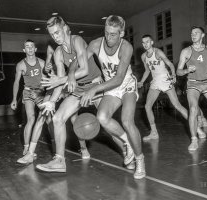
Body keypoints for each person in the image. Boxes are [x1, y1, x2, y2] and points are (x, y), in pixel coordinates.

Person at [36, 16, 134, 173]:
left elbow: (85, 69)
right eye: (52, 34)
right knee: (57, 118)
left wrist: (63, 79)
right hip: (79, 89)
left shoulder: (77, 40)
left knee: (105, 123)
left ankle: (128, 150)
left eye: (57, 32)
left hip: (96, 86)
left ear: (65, 29)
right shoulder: (58, 53)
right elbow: (60, 82)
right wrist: (52, 101)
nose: (55, 37)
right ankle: (59, 161)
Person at [79, 15, 146, 179]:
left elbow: (119, 79)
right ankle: (128, 143)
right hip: (110, 86)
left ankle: (140, 159)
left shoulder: (126, 47)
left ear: (121, 33)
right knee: (102, 117)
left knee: (127, 121)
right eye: (106, 32)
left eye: (113, 34)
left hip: (126, 84)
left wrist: (93, 89)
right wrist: (71, 77)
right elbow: (80, 60)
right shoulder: (96, 44)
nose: (109, 37)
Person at [138, 34, 192, 141]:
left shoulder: (158, 52)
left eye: (147, 42)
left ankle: (195, 128)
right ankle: (154, 133)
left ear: (152, 42)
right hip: (155, 81)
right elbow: (147, 70)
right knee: (147, 107)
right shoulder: (143, 56)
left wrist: (173, 75)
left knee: (177, 105)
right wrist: (141, 81)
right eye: (143, 42)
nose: (145, 44)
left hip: (164, 78)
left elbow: (170, 64)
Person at [11, 39, 46, 156]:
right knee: (31, 119)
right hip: (28, 93)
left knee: (48, 118)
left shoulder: (42, 62)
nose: (30, 48)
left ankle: (55, 142)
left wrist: (40, 91)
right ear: (24, 50)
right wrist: (14, 99)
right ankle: (26, 148)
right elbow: (16, 82)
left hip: (40, 92)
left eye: (32, 46)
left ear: (35, 49)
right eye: (27, 46)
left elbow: (47, 80)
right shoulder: (20, 65)